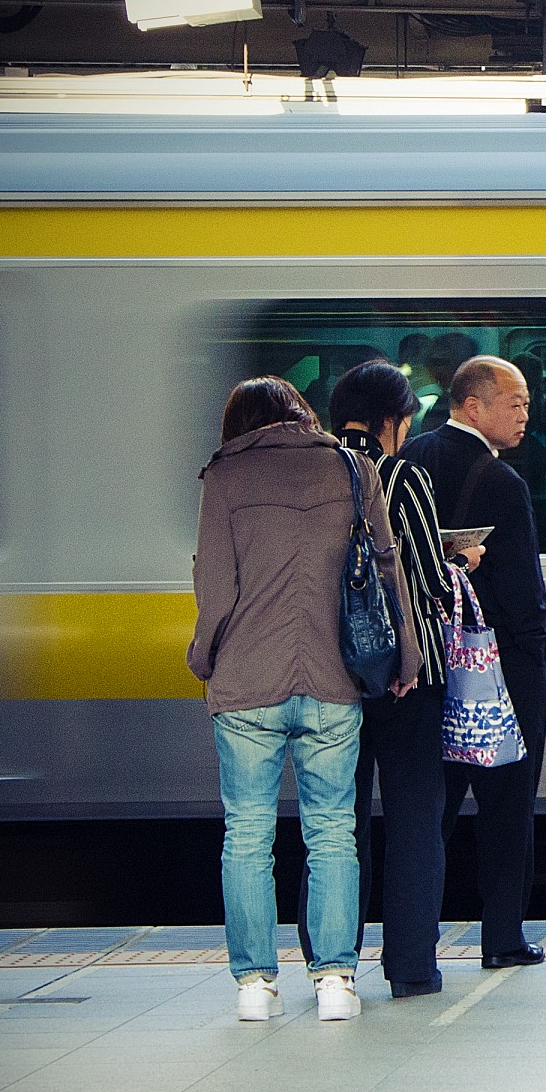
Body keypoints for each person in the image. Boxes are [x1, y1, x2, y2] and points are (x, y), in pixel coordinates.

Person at [188, 376, 412, 1023]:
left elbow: (216, 588)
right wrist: (406, 657)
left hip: (246, 683)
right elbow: (386, 567)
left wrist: (204, 656)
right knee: (333, 833)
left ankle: (255, 985)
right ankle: (335, 980)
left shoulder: (225, 476)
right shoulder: (351, 466)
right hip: (333, 678)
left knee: (248, 837)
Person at [320, 361, 484, 999]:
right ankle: (412, 966)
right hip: (410, 679)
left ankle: (331, 960)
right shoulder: (402, 475)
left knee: (338, 820)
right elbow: (421, 581)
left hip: (336, 676)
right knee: (417, 816)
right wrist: (460, 563)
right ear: (392, 421)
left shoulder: (317, 476)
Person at [402, 356, 546, 969]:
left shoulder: (409, 461)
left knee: (430, 809)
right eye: (515, 401)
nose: (526, 412)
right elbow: (525, 596)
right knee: (507, 805)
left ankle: (415, 943)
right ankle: (502, 938)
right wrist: (543, 663)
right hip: (497, 671)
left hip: (427, 666)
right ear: (474, 406)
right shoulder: (503, 484)